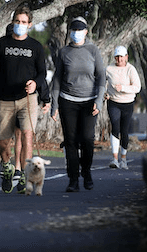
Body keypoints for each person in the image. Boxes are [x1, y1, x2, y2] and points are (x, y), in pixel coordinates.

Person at [0, 5, 50, 194]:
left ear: (29, 25)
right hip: (4, 99)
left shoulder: (35, 47)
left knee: (27, 135)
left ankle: (25, 174)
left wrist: (35, 84)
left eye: (24, 22)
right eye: (17, 21)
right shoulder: (1, 44)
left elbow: (42, 72)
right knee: (3, 142)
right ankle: (7, 166)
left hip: (27, 99)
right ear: (12, 23)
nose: (20, 25)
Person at [50, 16, 105, 192]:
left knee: (88, 139)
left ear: (86, 32)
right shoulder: (64, 52)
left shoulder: (93, 50)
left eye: (79, 30)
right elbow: (57, 79)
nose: (76, 33)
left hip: (89, 101)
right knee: (71, 141)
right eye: (73, 30)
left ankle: (86, 172)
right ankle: (73, 179)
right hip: (68, 101)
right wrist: (54, 105)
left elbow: (102, 76)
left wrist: (99, 100)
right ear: (70, 32)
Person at [105, 45, 141, 169]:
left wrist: (123, 88)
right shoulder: (109, 69)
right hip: (113, 102)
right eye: (117, 57)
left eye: (121, 57)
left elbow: (137, 87)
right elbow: (103, 83)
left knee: (124, 130)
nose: (119, 59)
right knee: (115, 127)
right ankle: (115, 159)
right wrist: (105, 93)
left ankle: (123, 159)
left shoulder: (131, 69)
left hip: (127, 103)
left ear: (126, 57)